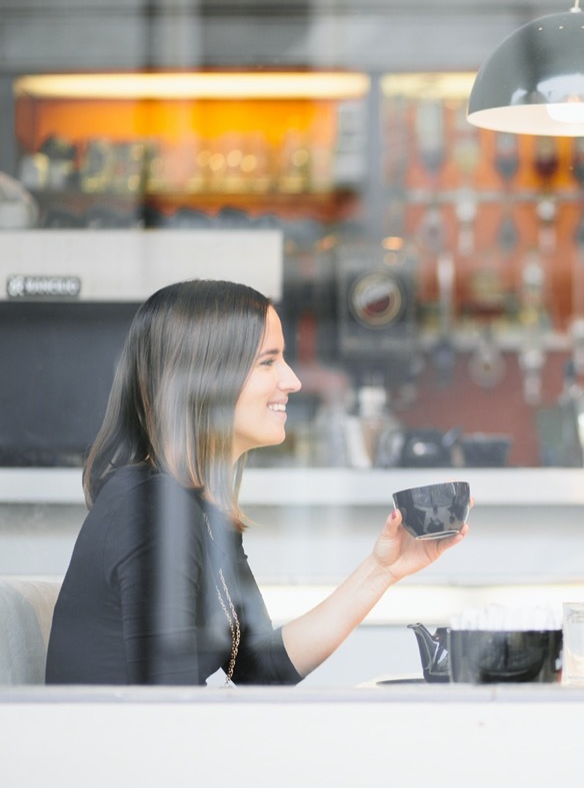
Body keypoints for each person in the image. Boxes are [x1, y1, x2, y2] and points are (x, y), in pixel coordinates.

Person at [46, 279, 467, 685]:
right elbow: (166, 719)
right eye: (268, 361)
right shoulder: (150, 511)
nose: (293, 380)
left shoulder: (196, 509)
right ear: (205, 378)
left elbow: (258, 667)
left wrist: (382, 570)